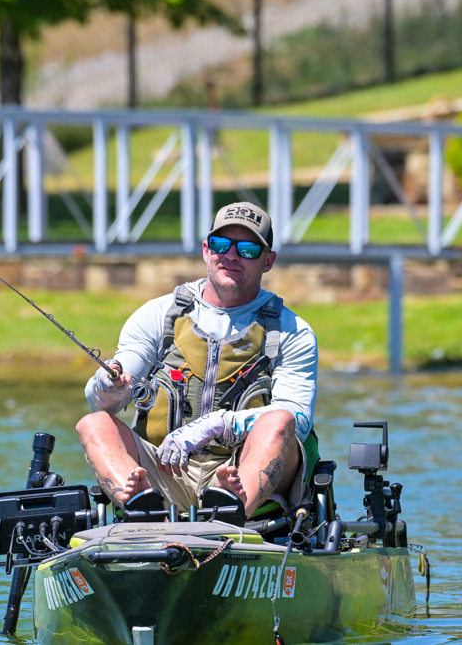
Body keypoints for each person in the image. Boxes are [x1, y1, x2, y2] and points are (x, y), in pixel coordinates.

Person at [76, 202, 317, 517]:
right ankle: (143, 507)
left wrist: (217, 424)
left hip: (239, 471)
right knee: (94, 424)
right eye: (221, 244)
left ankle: (230, 512)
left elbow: (299, 420)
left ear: (267, 261)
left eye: (247, 249)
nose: (231, 255)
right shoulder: (158, 314)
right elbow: (104, 401)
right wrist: (109, 385)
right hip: (161, 470)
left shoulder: (292, 330)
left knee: (280, 420)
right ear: (206, 250)